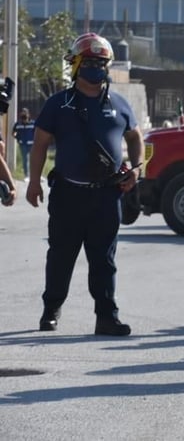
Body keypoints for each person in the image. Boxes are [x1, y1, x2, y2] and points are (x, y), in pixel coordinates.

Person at [25, 32, 143, 336]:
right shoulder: (58, 104)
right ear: (75, 64)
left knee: (104, 258)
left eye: (101, 62)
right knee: (61, 255)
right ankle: (51, 310)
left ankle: (107, 316)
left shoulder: (119, 104)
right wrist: (34, 182)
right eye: (89, 61)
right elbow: (39, 145)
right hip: (68, 194)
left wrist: (136, 169)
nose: (95, 68)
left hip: (106, 196)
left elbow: (135, 136)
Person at [13, 108, 36, 181]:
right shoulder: (18, 124)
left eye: (25, 113)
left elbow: (36, 133)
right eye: (22, 113)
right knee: (25, 160)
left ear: (28, 114)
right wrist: (18, 138)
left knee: (34, 160)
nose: (24, 115)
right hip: (22, 144)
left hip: (31, 144)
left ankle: (35, 176)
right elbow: (13, 132)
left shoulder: (33, 123)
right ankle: (26, 175)